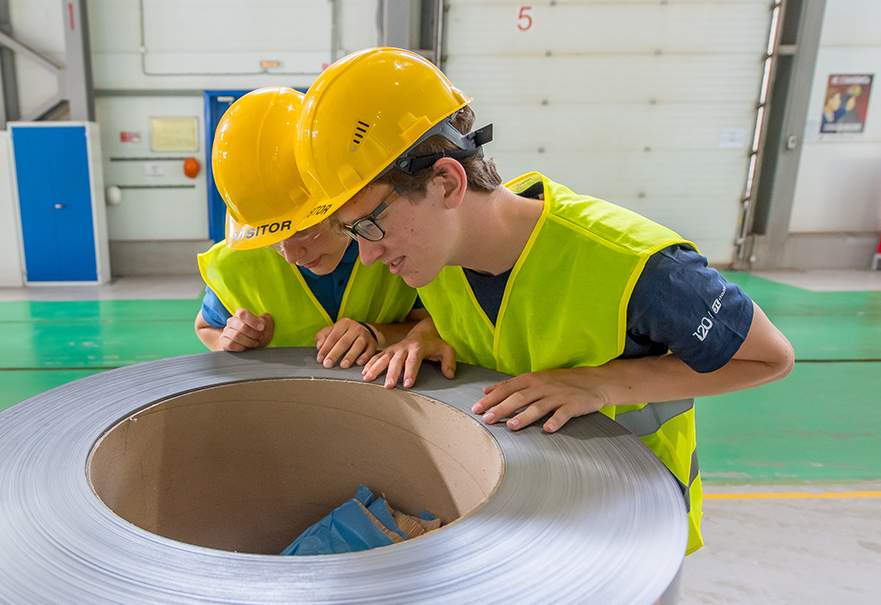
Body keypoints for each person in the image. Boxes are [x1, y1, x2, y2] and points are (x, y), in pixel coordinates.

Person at [293, 48, 796, 553]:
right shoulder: (434, 260)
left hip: (630, 525)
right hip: (528, 520)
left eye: (371, 225)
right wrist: (425, 334)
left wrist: (599, 384)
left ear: (447, 182)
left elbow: (769, 356)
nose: (368, 256)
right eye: (352, 231)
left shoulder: (633, 264)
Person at [195, 86, 430, 370]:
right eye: (274, 241)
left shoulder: (396, 240)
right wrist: (231, 341)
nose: (291, 255)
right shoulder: (235, 264)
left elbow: (437, 324)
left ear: (339, 201)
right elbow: (206, 327)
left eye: (303, 231)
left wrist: (378, 334)